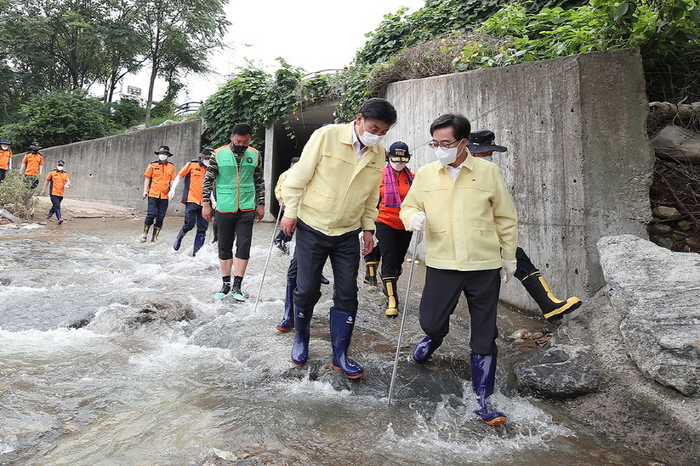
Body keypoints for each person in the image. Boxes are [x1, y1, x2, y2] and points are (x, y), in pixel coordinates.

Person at [400, 113, 518, 426]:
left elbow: (505, 217)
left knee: (485, 331)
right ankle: (432, 339)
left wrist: (509, 257)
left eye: (446, 143)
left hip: (484, 264)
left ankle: (483, 401)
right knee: (432, 320)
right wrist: (412, 218)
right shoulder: (426, 174)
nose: (439, 148)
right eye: (434, 143)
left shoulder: (488, 172)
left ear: (463, 142)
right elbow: (408, 207)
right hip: (442, 263)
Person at [280, 97, 397, 379]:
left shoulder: (377, 153)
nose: (377, 135)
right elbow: (299, 178)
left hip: (347, 232)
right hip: (312, 225)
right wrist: (291, 212)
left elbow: (371, 197)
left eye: (384, 131)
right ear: (359, 119)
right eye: (374, 127)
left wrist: (369, 228)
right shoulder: (326, 136)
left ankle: (340, 354)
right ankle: (301, 340)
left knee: (347, 292)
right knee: (306, 289)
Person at [467, 130, 582, 322]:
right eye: (486, 153)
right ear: (471, 152)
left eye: (491, 153)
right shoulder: (463, 175)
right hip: (469, 239)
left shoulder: (489, 174)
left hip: (488, 235)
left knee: (516, 257)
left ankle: (549, 305)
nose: (490, 157)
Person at [202, 123, 265, 301]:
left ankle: (238, 285)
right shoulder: (218, 154)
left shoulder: (254, 154)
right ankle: (225, 284)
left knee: (244, 246)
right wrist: (205, 204)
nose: (242, 145)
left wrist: (261, 204)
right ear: (232, 137)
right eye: (238, 141)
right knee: (224, 245)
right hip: (224, 206)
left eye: (245, 142)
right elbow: (208, 180)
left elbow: (259, 181)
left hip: (246, 207)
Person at [364, 141, 415, 317]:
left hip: (405, 224)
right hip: (384, 221)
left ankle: (389, 287)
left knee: (398, 261)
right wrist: (368, 227)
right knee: (390, 257)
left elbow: (418, 202)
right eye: (396, 159)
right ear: (388, 157)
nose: (399, 163)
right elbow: (371, 202)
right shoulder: (379, 177)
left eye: (403, 159)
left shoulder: (414, 178)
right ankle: (392, 298)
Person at [169, 148, 213, 256]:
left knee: (202, 228)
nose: (207, 160)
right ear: (202, 157)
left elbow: (212, 188)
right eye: (206, 158)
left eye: (210, 159)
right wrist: (173, 189)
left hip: (205, 202)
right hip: (191, 199)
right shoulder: (192, 165)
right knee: (189, 223)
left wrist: (214, 202)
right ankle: (179, 237)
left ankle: (196, 254)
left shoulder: (212, 170)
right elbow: (179, 176)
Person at [140, 145, 177, 243]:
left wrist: (172, 190)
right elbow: (147, 177)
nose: (162, 155)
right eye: (161, 153)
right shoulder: (152, 165)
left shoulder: (171, 166)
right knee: (151, 214)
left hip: (164, 196)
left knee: (161, 216)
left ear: (168, 155)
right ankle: (144, 234)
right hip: (153, 194)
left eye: (164, 153)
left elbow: (172, 179)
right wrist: (145, 191)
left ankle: (155, 237)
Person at [273, 157, 299, 254]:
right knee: (290, 221)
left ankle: (285, 243)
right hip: (286, 201)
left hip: (295, 202)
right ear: (291, 165)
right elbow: (278, 188)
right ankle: (279, 239)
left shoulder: (299, 175)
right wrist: (280, 199)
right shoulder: (285, 174)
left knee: (294, 222)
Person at [41, 159, 72, 224]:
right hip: (53, 193)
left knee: (55, 206)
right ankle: (59, 218)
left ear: (63, 166)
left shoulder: (65, 174)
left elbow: (68, 181)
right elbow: (47, 180)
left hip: (61, 193)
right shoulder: (52, 172)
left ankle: (49, 216)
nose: (60, 166)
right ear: (57, 165)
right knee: (57, 205)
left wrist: (68, 184)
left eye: (61, 165)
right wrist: (44, 189)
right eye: (59, 165)